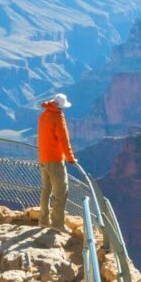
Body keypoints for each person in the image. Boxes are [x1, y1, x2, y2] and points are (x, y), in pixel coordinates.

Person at [37, 92, 77, 231]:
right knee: (61, 192)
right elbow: (64, 140)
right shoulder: (58, 117)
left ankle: (43, 220)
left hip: (43, 158)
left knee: (46, 190)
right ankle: (57, 224)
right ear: (61, 106)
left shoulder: (44, 115)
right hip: (54, 160)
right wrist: (71, 158)